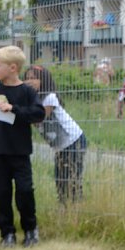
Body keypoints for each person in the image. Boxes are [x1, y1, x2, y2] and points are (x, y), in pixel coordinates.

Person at [0, 45, 45, 248]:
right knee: (0, 193)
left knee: (25, 191)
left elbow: (38, 113)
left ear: (13, 68)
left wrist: (13, 108)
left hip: (20, 152)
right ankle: (6, 232)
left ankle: (30, 230)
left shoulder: (26, 91)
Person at [24, 65, 87, 205]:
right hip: (60, 146)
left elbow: (38, 118)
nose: (29, 81)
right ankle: (64, 208)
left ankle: (78, 207)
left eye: (34, 78)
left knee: (73, 177)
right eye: (27, 78)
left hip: (73, 141)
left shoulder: (49, 97)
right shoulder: (33, 99)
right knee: (60, 179)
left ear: (44, 80)